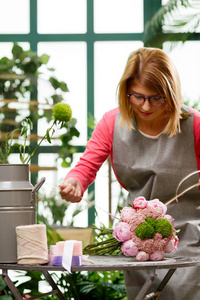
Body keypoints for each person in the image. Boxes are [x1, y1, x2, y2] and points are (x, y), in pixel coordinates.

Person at [59, 47, 200, 300]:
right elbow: (87, 166)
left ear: (171, 93)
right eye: (137, 96)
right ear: (126, 91)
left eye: (156, 98)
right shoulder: (111, 123)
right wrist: (75, 183)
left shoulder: (195, 126)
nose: (145, 106)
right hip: (137, 239)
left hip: (190, 237)